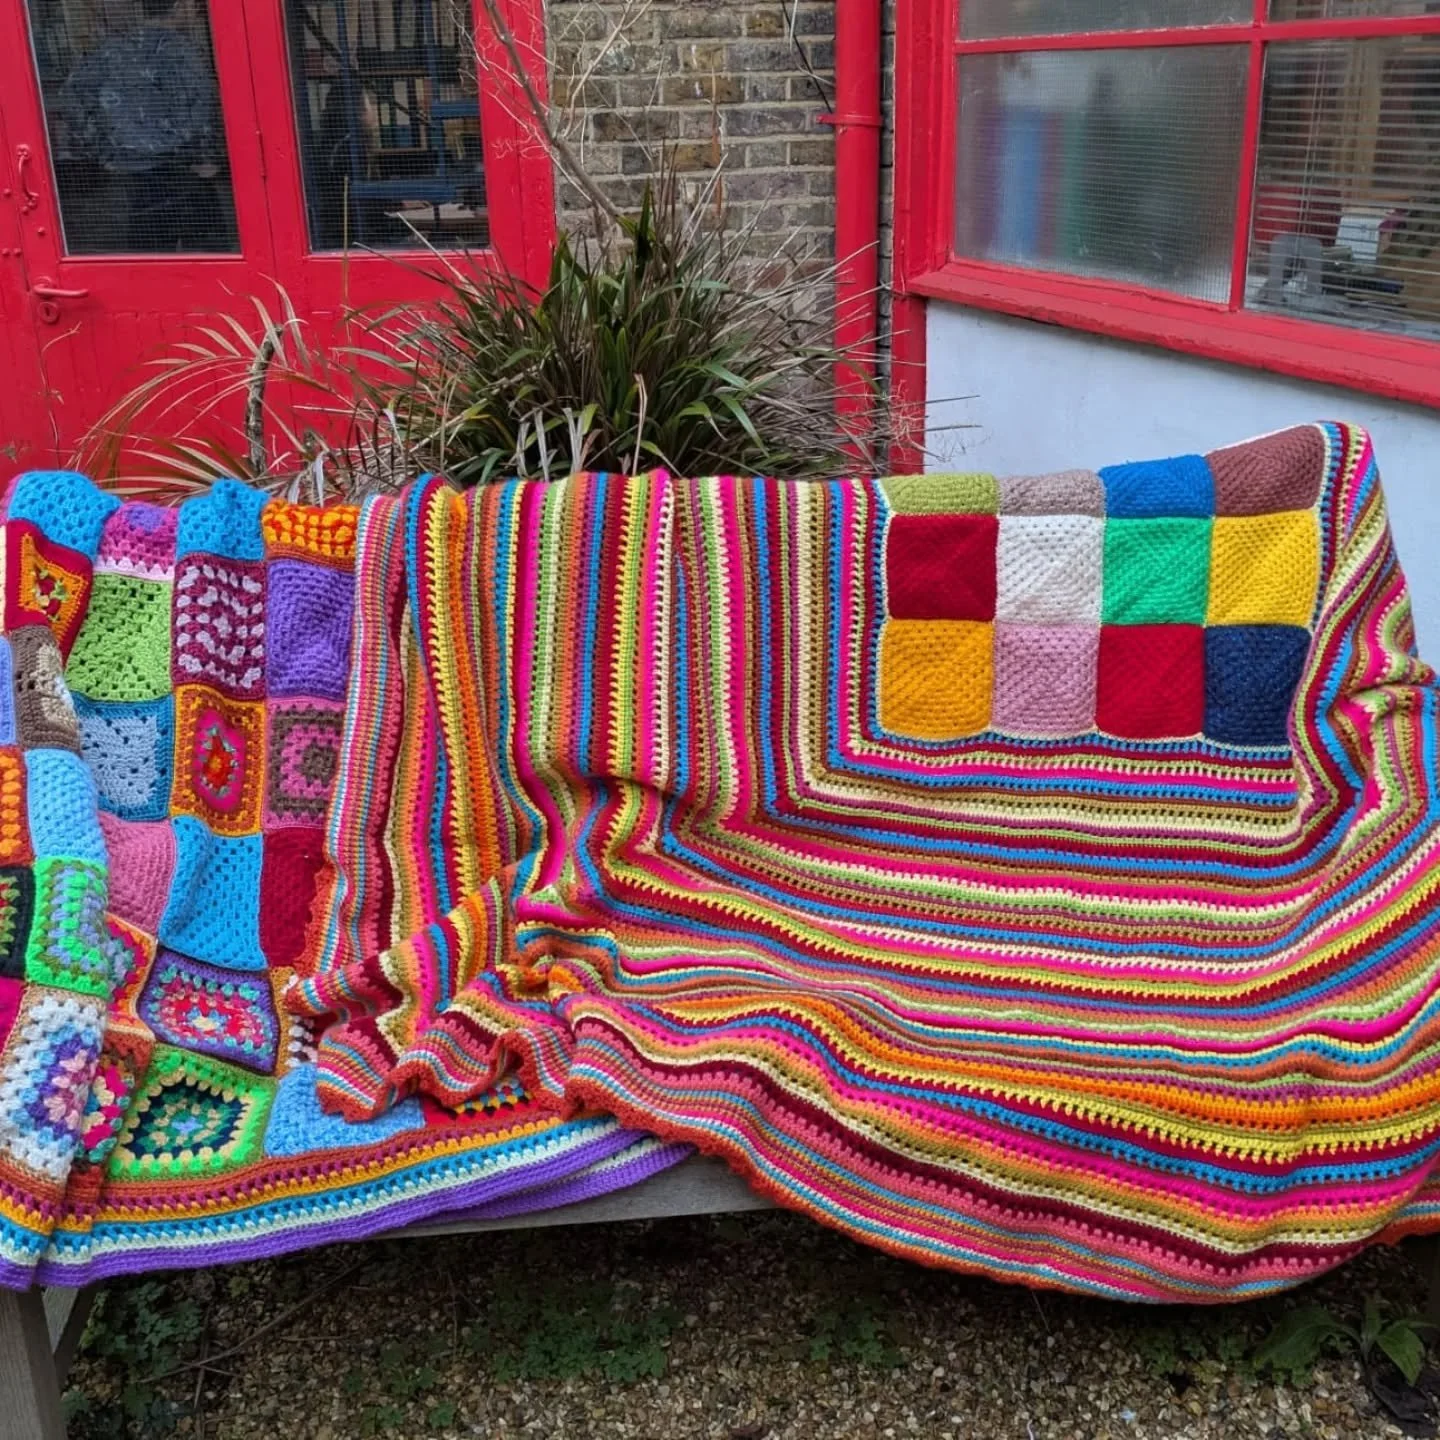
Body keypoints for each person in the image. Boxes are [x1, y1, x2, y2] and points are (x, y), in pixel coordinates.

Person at [55, 0, 231, 252]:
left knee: (147, 249)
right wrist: (210, 157)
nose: (195, 14)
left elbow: (72, 99)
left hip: (129, 170)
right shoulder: (183, 53)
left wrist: (100, 149)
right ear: (179, 7)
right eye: (194, 7)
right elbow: (202, 110)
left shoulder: (110, 50)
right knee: (208, 249)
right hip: (182, 168)